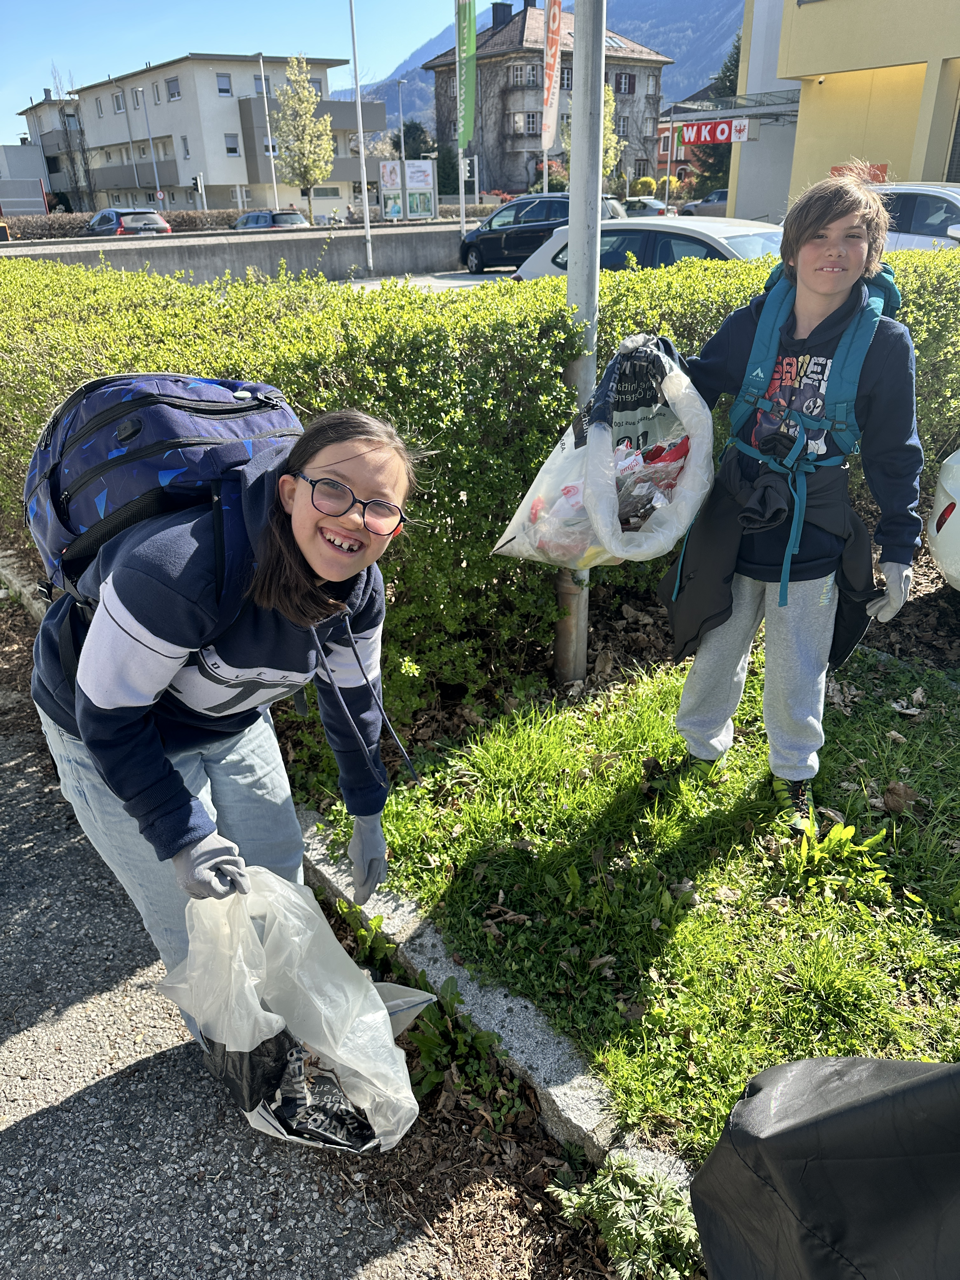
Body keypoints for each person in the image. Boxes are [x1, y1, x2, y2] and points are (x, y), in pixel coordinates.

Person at [32, 406, 413, 990]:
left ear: (395, 526)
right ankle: (248, 1063)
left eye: (380, 507)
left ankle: (290, 1019)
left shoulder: (357, 588)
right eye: (333, 490)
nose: (355, 519)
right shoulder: (178, 569)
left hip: (227, 715)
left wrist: (367, 806)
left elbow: (355, 698)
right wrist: (181, 832)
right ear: (289, 492)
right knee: (193, 923)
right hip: (107, 730)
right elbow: (110, 718)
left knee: (278, 882)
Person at [657, 167, 923, 826]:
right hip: (736, 508)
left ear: (872, 252)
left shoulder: (884, 344)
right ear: (792, 246)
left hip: (814, 518)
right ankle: (698, 747)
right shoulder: (756, 322)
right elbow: (700, 384)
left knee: (799, 658)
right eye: (818, 236)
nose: (833, 252)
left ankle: (793, 771)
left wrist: (898, 547)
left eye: (852, 238)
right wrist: (652, 370)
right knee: (720, 638)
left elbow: (894, 452)